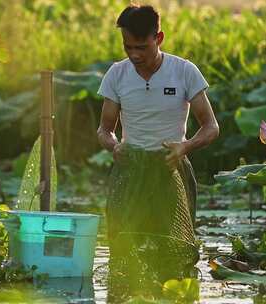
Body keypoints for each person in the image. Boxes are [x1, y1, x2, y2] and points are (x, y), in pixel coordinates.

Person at [96, 4, 219, 302]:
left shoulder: (184, 71)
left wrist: (185, 146)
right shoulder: (117, 74)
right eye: (128, 47)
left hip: (171, 170)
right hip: (131, 170)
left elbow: (211, 127)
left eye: (142, 47)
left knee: (174, 253)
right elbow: (104, 130)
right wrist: (115, 145)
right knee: (125, 250)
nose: (134, 54)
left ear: (159, 38)